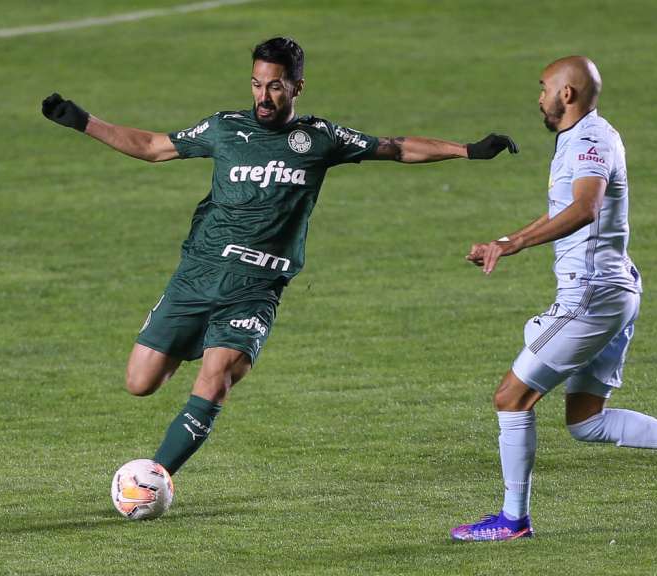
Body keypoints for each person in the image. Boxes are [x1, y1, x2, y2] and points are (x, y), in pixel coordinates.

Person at [40, 37, 518, 479]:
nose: (263, 96)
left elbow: (394, 147)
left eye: (274, 86)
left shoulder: (319, 139)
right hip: (198, 274)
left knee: (217, 377)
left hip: (256, 287)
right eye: (256, 84)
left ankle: (155, 479)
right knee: (139, 382)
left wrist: (467, 151)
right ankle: (200, 343)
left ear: (297, 86)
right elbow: (150, 147)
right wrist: (83, 121)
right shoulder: (224, 129)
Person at [450, 55, 657, 542]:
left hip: (592, 296)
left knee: (511, 398)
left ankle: (512, 520)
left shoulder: (589, 139)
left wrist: (510, 242)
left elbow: (585, 207)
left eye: (544, 88)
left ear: (567, 94)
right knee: (586, 421)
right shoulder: (587, 136)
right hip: (612, 290)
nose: (539, 97)